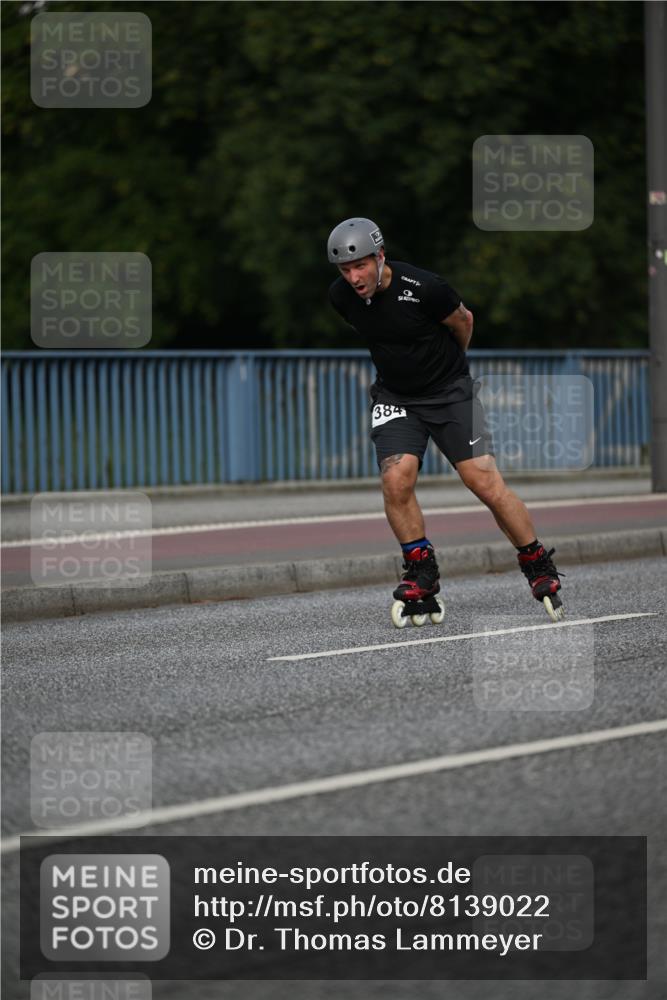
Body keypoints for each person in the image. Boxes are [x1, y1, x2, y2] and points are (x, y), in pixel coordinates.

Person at [326, 217, 564, 624]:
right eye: (346, 270)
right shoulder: (341, 297)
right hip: (397, 396)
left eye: (361, 265)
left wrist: (451, 370)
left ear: (380, 256)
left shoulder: (425, 289)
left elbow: (464, 322)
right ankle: (421, 571)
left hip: (450, 392)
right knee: (395, 478)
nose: (354, 277)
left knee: (483, 481)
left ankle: (536, 561)